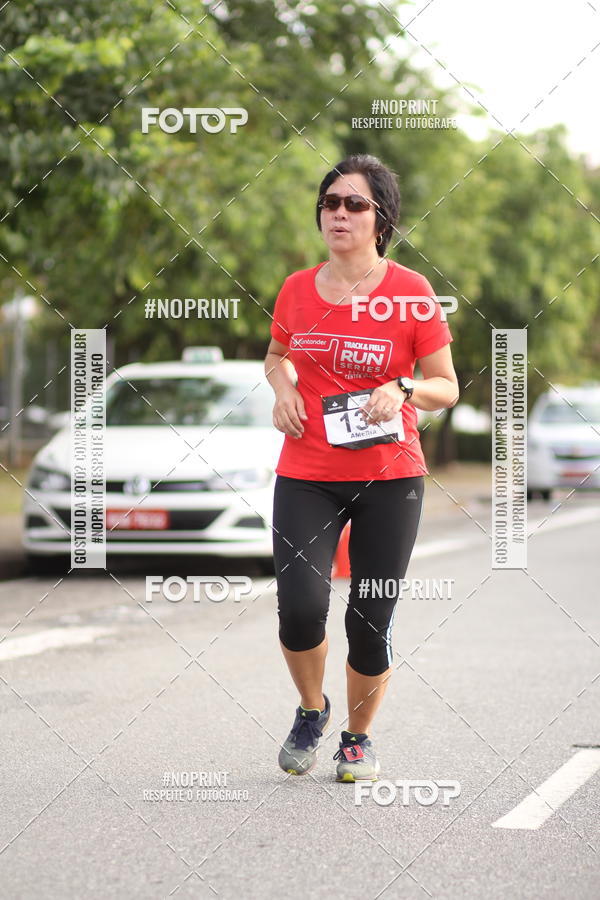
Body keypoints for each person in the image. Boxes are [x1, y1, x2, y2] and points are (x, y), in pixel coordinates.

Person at [264, 153, 458, 782]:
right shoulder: (296, 288)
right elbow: (275, 354)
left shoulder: (412, 292)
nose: (338, 213)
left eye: (354, 205)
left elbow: (446, 387)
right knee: (299, 607)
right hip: (307, 471)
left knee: (369, 616)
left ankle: (358, 739)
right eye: (330, 202)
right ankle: (310, 709)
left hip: (389, 476)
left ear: (381, 220)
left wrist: (403, 387)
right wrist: (283, 389)